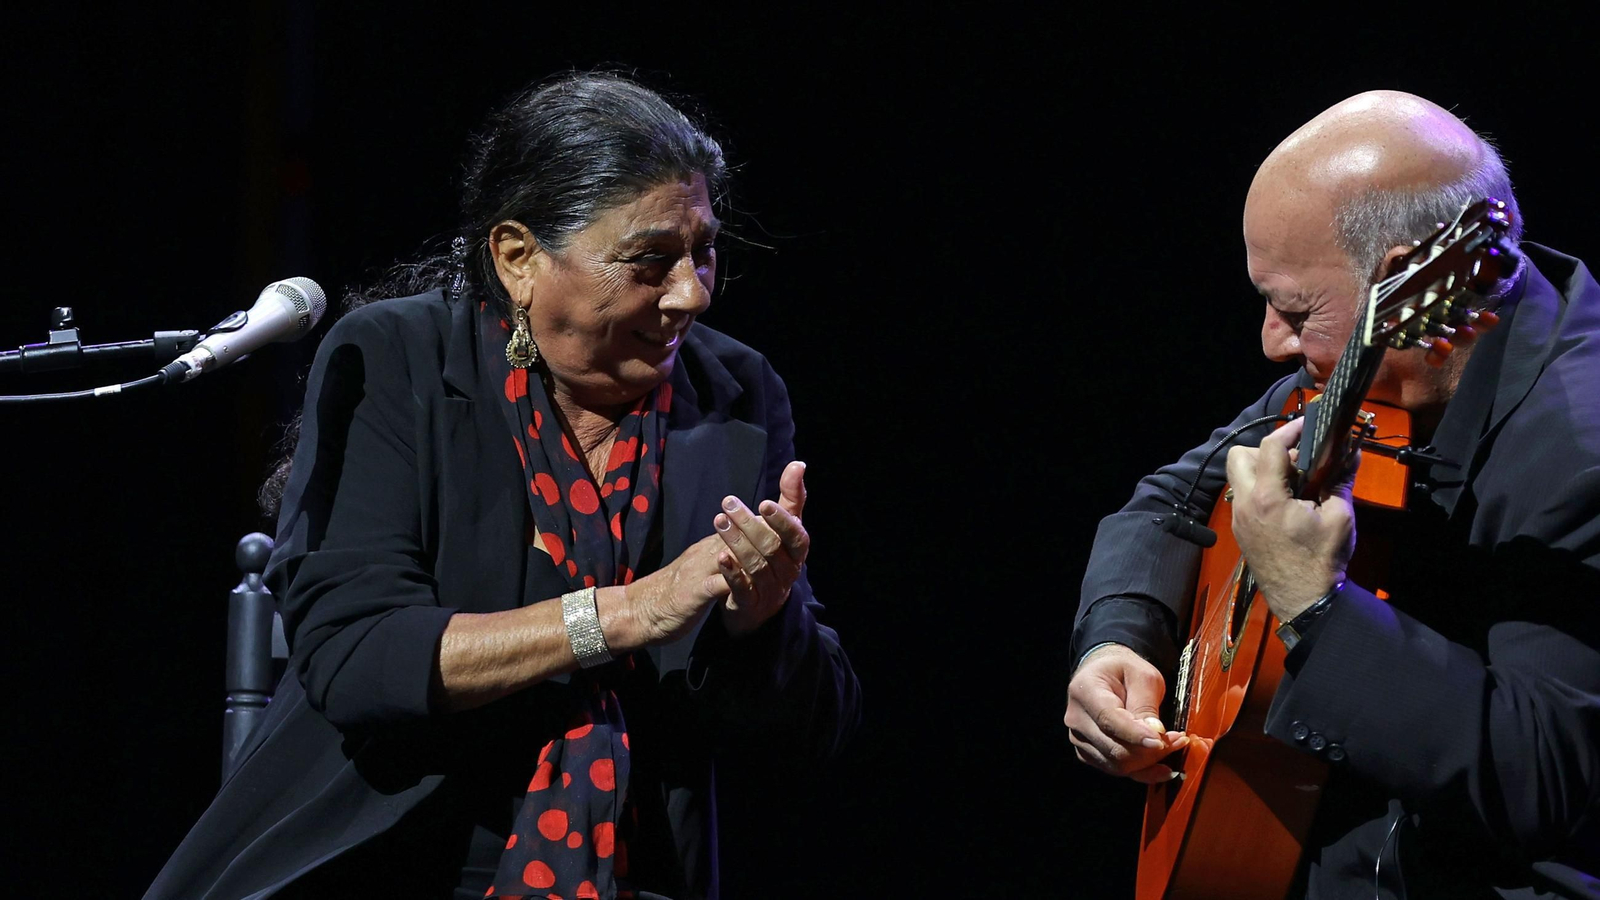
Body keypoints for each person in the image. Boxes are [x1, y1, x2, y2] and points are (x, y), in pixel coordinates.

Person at [147, 73, 861, 900]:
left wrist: (762, 621)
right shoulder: (397, 360)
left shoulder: (733, 397)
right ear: (518, 257)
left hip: (633, 869)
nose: (690, 294)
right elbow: (356, 658)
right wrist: (627, 612)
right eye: (649, 260)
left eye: (704, 250)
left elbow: (817, 730)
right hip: (384, 861)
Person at [1065, 91, 1600, 898]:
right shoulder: (1359, 381)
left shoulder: (1579, 453)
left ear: (1401, 284)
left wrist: (1313, 603)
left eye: (1294, 309)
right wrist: (1116, 642)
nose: (1271, 342)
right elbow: (1167, 504)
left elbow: (1543, 781)